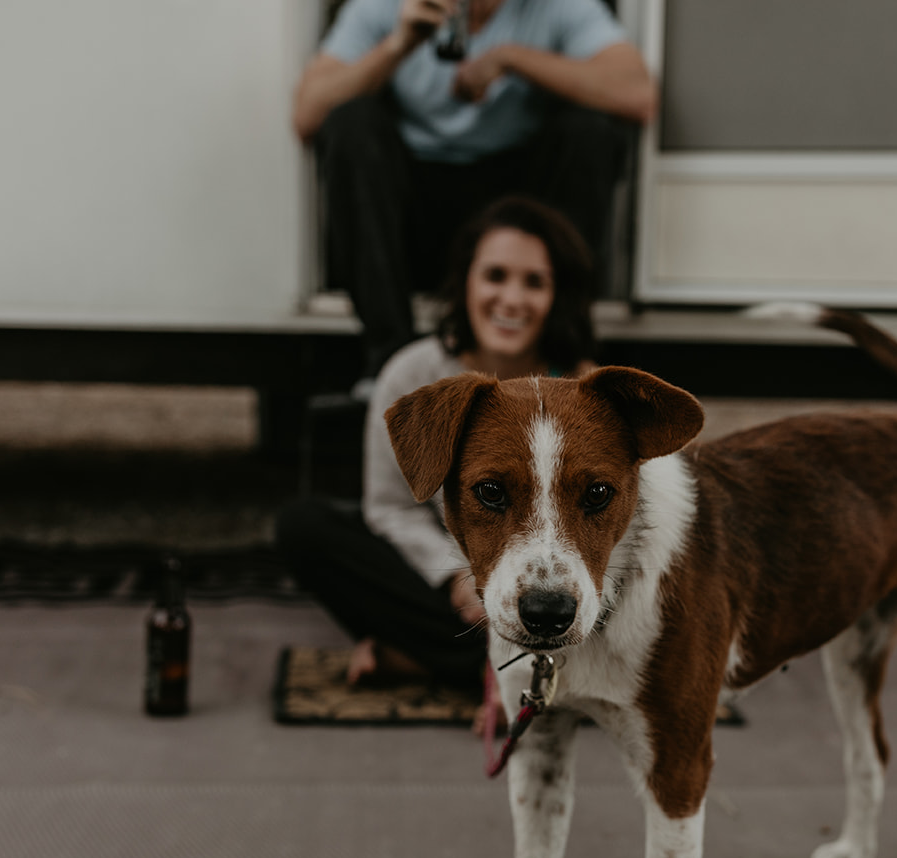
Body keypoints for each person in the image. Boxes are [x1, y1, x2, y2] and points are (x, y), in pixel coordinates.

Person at [278, 196, 597, 709]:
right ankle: (491, 663)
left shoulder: (580, 388)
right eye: (495, 275)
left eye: (534, 282)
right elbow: (389, 508)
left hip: (548, 585)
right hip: (447, 582)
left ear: (558, 296)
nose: (512, 298)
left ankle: (440, 659)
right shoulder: (412, 376)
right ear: (465, 283)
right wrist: (458, 576)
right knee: (304, 527)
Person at [291, 0, 654, 384]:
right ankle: (390, 366)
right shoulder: (382, 7)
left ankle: (559, 358)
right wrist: (399, 44)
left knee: (590, 132)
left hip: (518, 206)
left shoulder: (559, 7)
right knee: (351, 124)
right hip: (413, 205)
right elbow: (308, 113)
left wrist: (511, 58)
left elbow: (638, 94)